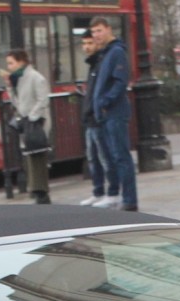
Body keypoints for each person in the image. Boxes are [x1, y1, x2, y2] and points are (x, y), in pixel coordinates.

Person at [89, 16, 137, 211]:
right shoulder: (105, 54)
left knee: (121, 157)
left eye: (99, 31)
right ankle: (120, 196)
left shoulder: (116, 52)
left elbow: (120, 82)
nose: (96, 35)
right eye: (93, 32)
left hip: (114, 113)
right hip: (106, 114)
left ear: (109, 29)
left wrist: (105, 102)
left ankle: (129, 199)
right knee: (112, 157)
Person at [2, 49, 53, 204]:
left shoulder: (36, 77)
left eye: (11, 63)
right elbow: (17, 103)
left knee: (37, 155)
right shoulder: (18, 79)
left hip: (36, 122)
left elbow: (43, 99)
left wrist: (32, 116)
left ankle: (41, 192)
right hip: (26, 122)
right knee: (30, 156)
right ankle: (37, 191)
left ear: (21, 61)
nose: (9, 66)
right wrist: (10, 87)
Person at [77, 33, 112, 206]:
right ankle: (98, 191)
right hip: (90, 118)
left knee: (104, 156)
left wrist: (98, 108)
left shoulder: (100, 63)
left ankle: (112, 192)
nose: (86, 47)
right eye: (84, 43)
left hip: (98, 117)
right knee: (93, 157)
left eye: (90, 43)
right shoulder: (92, 64)